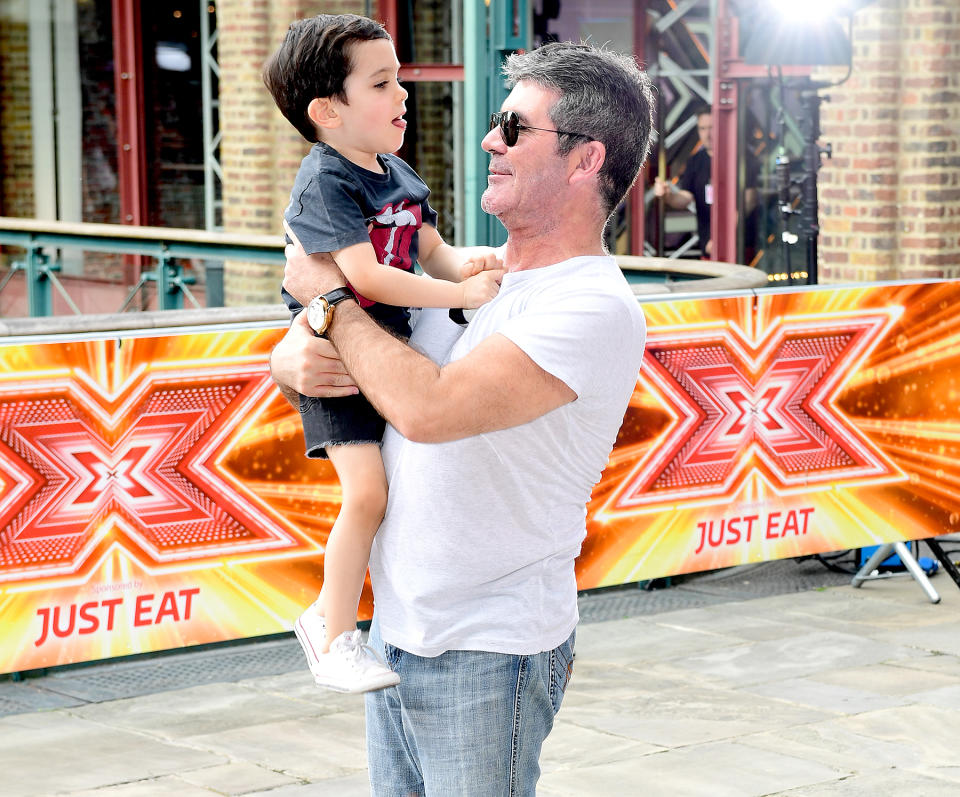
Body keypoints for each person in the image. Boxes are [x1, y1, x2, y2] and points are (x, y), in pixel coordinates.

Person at [272, 41, 654, 794]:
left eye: (514, 129)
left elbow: (425, 406)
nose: (489, 141)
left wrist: (328, 303)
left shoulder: (590, 304)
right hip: (400, 636)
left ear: (585, 162)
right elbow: (364, 362)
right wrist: (292, 353)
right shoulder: (485, 279)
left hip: (488, 649)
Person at [262, 13, 502, 694]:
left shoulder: (394, 170)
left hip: (387, 354)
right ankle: (331, 630)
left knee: (390, 491)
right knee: (366, 493)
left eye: (398, 79)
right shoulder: (326, 182)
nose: (403, 94)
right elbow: (364, 278)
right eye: (382, 82)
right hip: (337, 364)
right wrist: (456, 291)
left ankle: (348, 621)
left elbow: (432, 247)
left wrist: (468, 268)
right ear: (328, 111)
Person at [654, 105, 714, 257]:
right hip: (708, 246)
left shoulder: (740, 159)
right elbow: (685, 197)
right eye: (703, 129)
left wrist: (726, 235)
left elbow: (749, 200)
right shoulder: (696, 161)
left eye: (712, 127)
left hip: (740, 246)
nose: (708, 134)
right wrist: (668, 196)